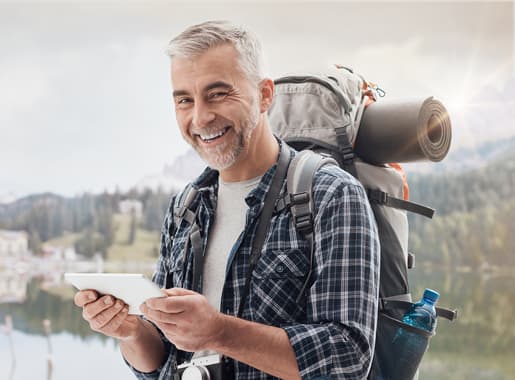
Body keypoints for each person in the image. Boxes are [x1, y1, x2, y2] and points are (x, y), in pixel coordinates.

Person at [74, 20, 380, 379]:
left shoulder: (331, 195)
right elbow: (160, 361)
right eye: (184, 100)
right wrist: (130, 331)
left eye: (218, 93)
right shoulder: (185, 207)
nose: (200, 117)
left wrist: (219, 332)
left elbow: (348, 358)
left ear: (265, 95)